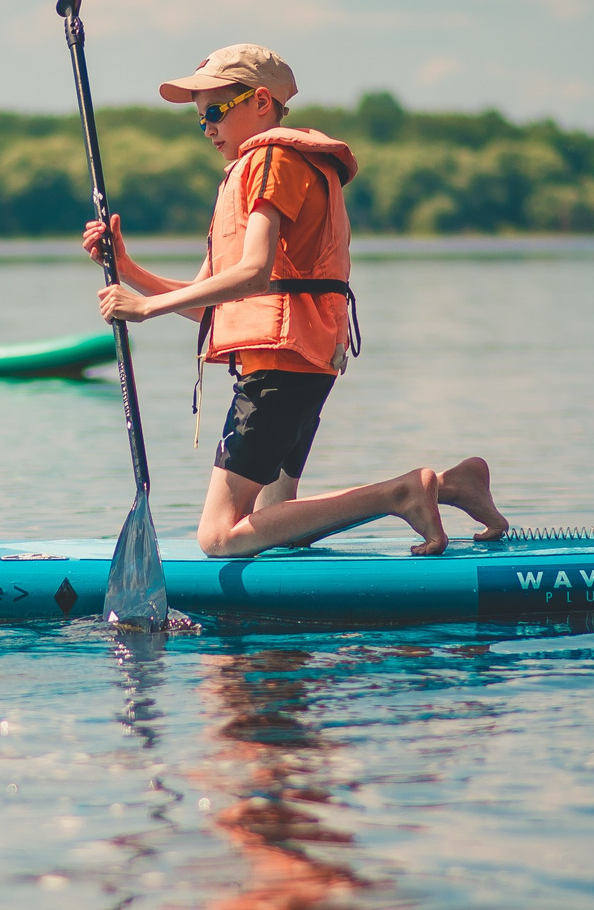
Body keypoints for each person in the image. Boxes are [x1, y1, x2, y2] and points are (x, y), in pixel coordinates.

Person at [83, 44, 507, 556]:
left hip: (280, 368)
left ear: (261, 101)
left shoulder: (271, 161)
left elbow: (255, 274)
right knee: (272, 523)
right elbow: (207, 306)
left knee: (219, 537)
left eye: (216, 111)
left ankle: (402, 493)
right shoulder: (266, 166)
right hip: (302, 362)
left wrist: (143, 309)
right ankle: (452, 486)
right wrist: (130, 273)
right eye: (200, 121)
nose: (208, 128)